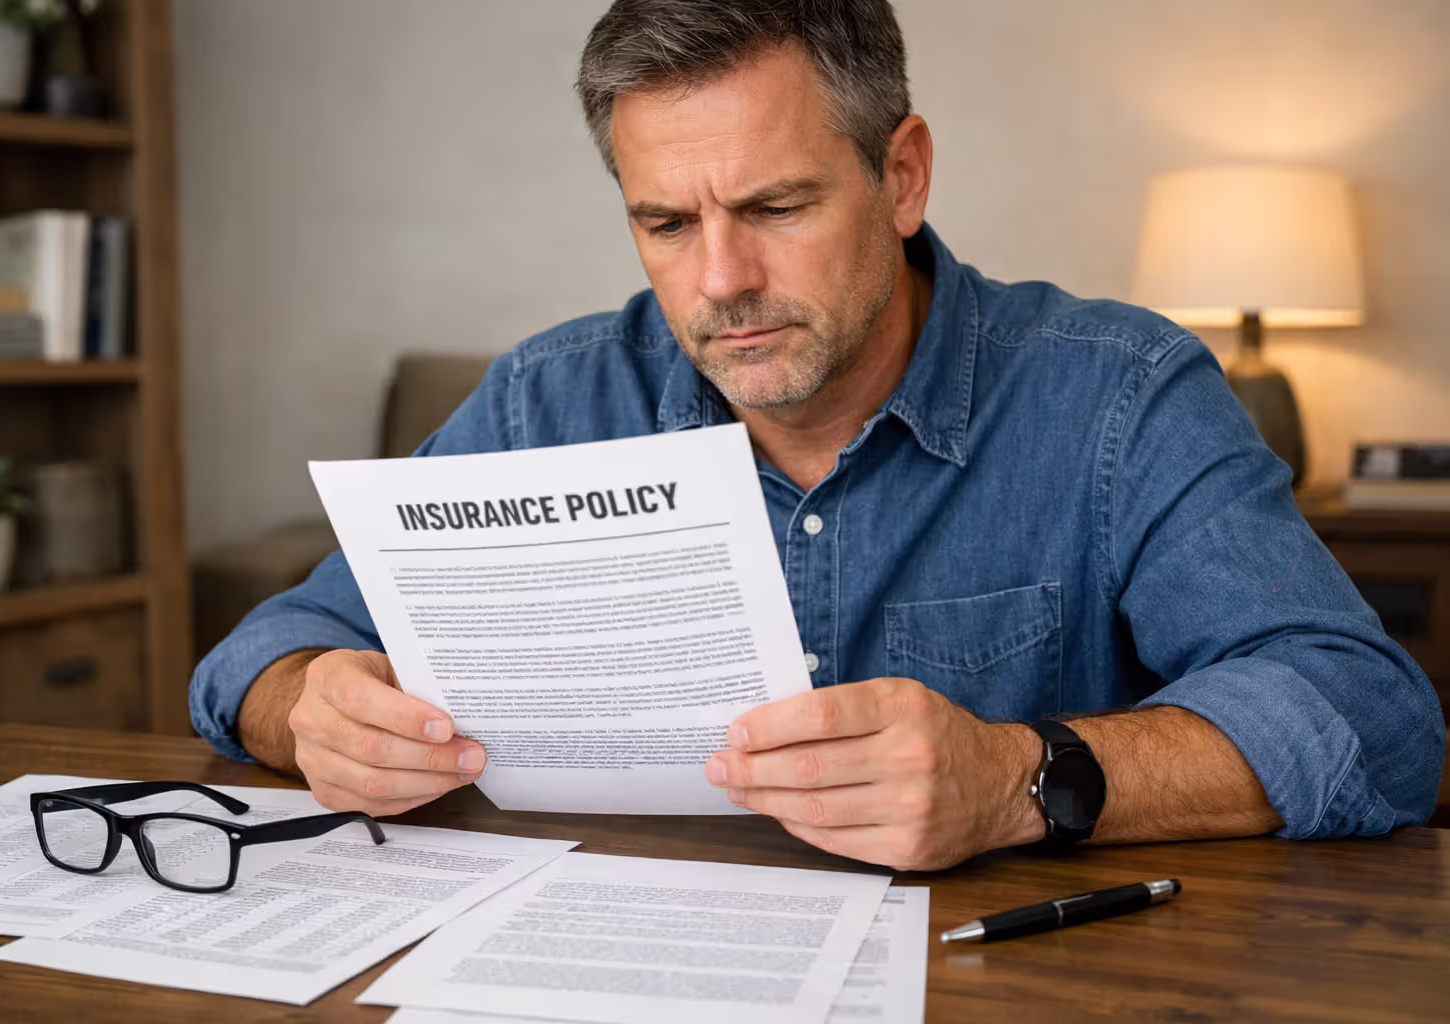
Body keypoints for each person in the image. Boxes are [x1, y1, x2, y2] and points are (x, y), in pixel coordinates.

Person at [191, 0, 1444, 871]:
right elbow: (269, 649)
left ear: (902, 175)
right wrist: (311, 707)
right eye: (667, 224)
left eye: (776, 205)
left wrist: (1015, 780)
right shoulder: (547, 399)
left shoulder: (1120, 394)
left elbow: (1373, 716)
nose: (721, 279)